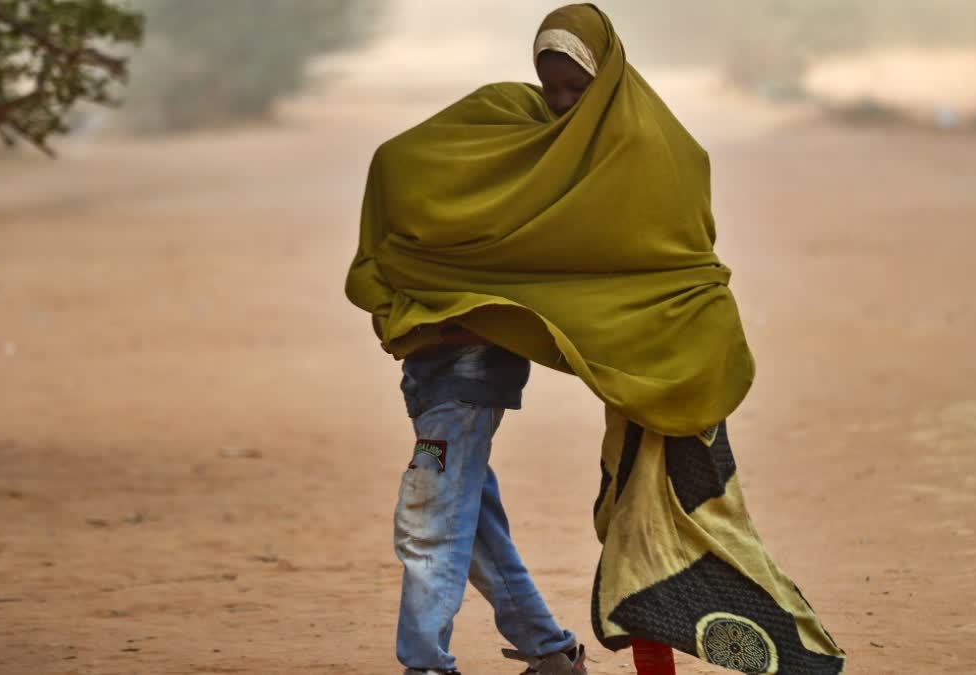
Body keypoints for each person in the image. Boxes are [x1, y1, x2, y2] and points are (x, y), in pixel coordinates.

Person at [347, 4, 845, 673]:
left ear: (606, 76)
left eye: (573, 90)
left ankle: (423, 662)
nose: (558, 104)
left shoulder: (641, 148)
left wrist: (668, 343)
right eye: (549, 87)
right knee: (469, 518)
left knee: (440, 515)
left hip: (494, 367)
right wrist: (431, 278)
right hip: (432, 358)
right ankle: (551, 652)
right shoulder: (504, 120)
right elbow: (399, 165)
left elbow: (672, 266)